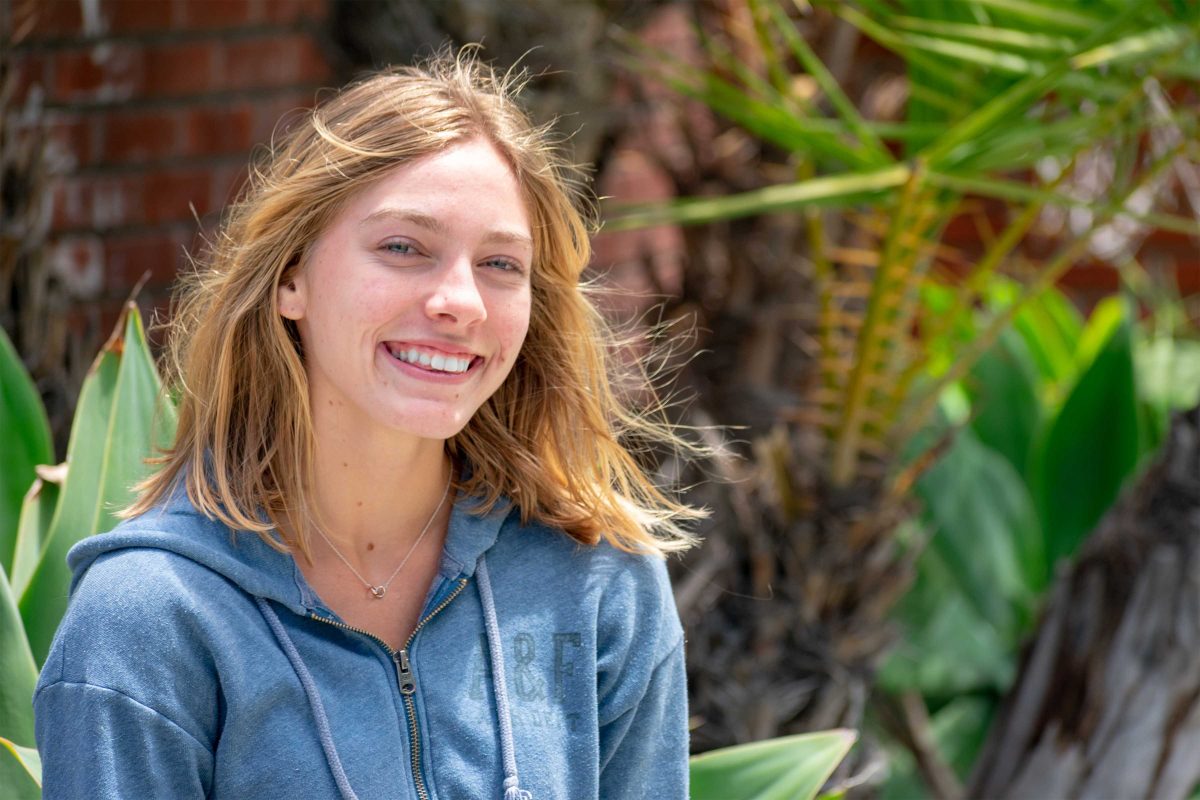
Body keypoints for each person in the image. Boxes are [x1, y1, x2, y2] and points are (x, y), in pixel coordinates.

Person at [32, 49, 701, 799]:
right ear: (292, 279)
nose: (462, 302)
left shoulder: (597, 582)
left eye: (501, 265)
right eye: (403, 248)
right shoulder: (151, 620)